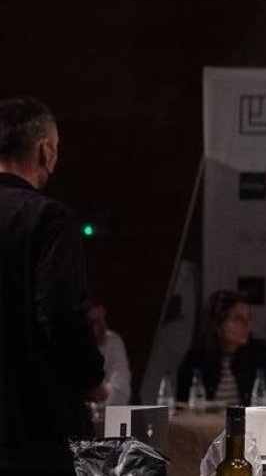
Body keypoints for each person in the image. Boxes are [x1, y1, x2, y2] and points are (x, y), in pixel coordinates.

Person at [0, 97, 106, 476]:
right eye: (56, 148)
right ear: (44, 151)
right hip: (32, 426)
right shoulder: (48, 217)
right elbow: (59, 314)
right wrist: (91, 376)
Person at [176, 290, 266, 406]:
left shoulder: (260, 354)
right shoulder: (196, 360)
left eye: (248, 318)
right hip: (207, 423)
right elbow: (183, 405)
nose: (247, 324)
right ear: (217, 325)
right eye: (237, 319)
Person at [88, 300, 131, 405]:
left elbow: (122, 390)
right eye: (95, 322)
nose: (103, 326)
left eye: (103, 319)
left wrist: (100, 393)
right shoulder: (70, 346)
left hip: (106, 415)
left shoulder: (113, 340)